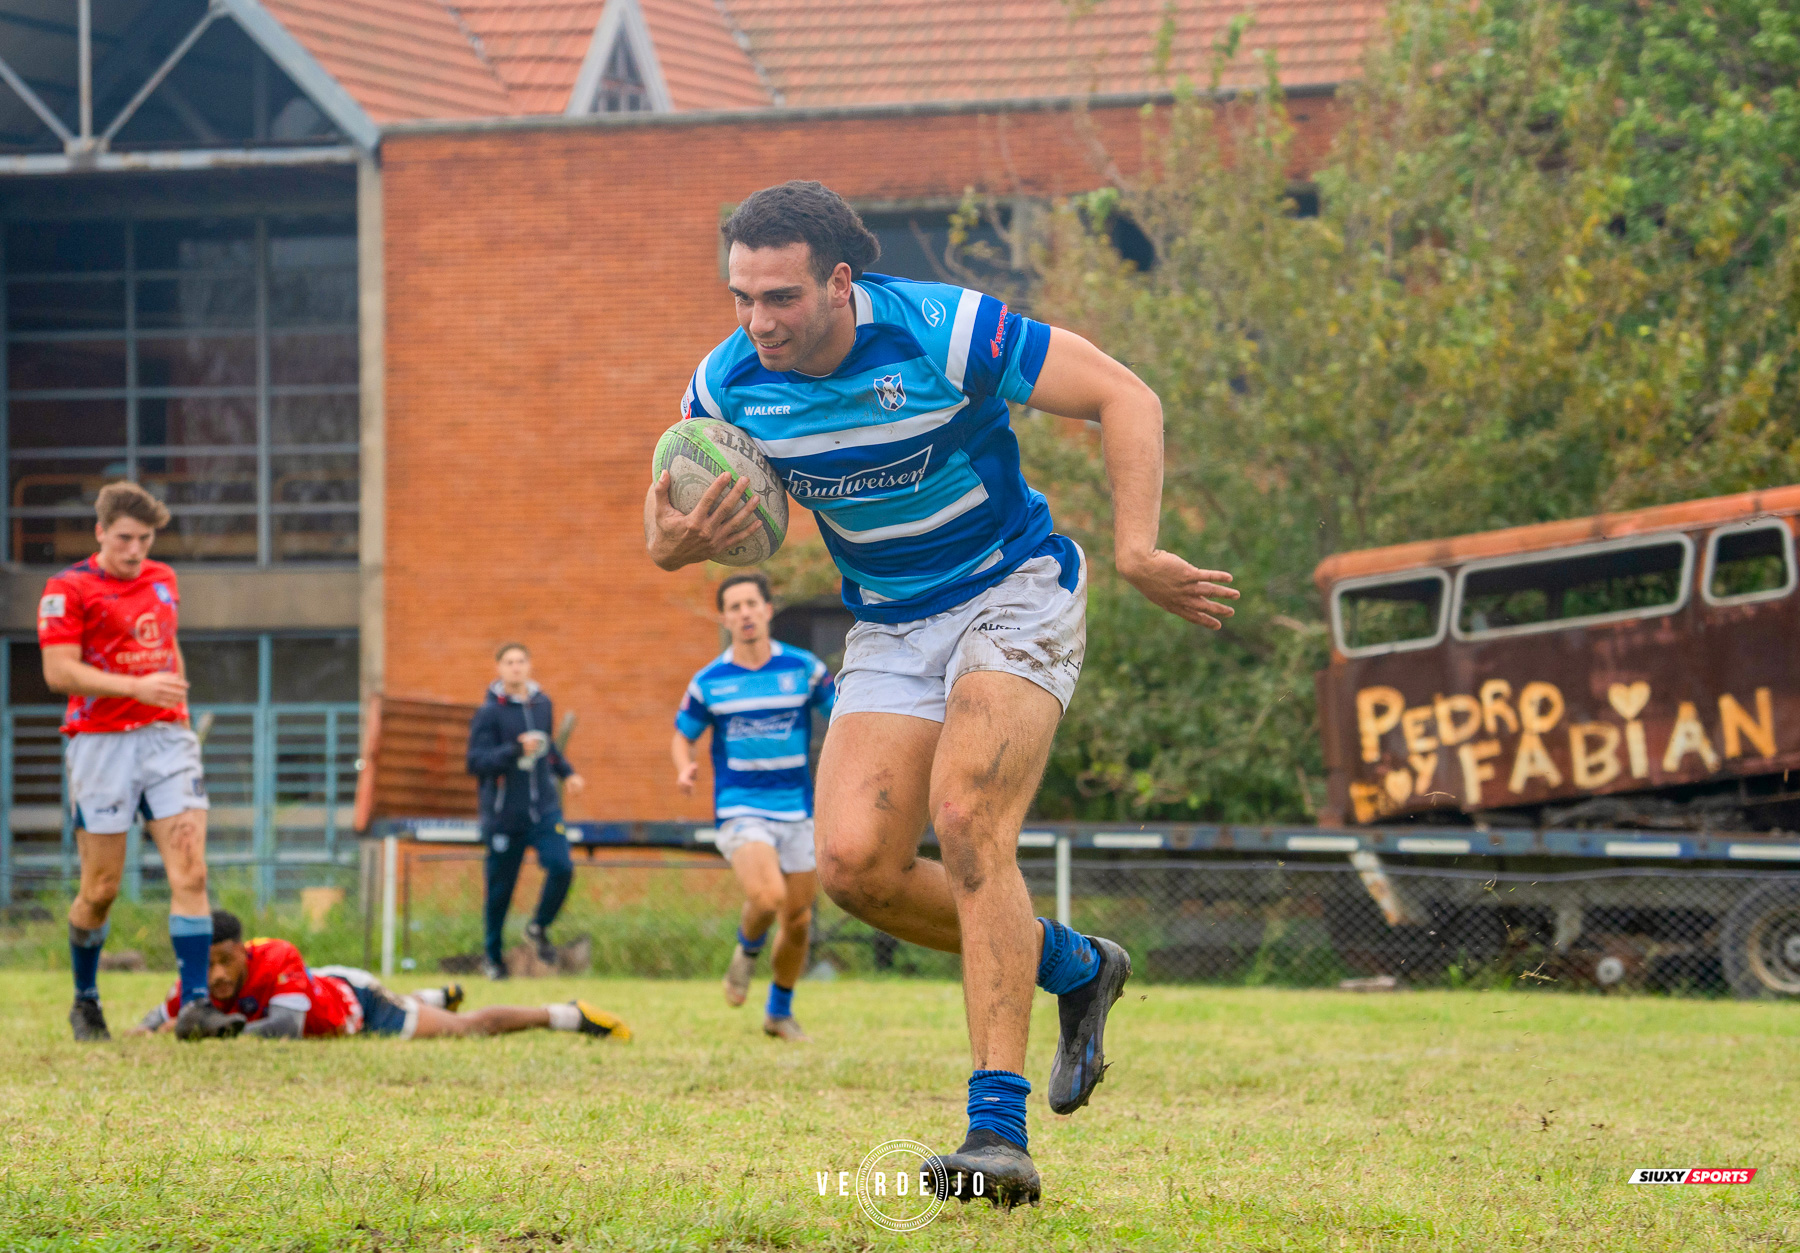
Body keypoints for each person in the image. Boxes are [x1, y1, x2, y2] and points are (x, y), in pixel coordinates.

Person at [645, 182, 1239, 1207]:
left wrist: (1138, 549)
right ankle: (1073, 962)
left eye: (780, 296)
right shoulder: (729, 382)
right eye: (740, 296)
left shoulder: (941, 329)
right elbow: (658, 530)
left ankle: (995, 1133)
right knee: (852, 868)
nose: (758, 321)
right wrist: (677, 543)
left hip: (1014, 589)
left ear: (841, 280)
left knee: (967, 821)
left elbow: (1124, 395)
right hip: (890, 621)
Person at [38, 480, 237, 1042]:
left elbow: (167, 646)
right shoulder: (67, 588)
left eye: (145, 540)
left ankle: (195, 1006)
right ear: (101, 532)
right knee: (101, 888)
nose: (135, 550)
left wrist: (174, 697)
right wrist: (136, 686)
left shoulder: (163, 579)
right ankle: (85, 1000)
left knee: (191, 869)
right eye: (124, 538)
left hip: (166, 738)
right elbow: (59, 671)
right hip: (101, 741)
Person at [672, 571, 834, 1042]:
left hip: (796, 809)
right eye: (734, 606)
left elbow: (841, 714)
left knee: (799, 920)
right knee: (768, 898)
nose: (744, 613)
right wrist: (684, 768)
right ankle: (745, 953)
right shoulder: (710, 681)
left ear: (767, 610)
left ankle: (778, 1012)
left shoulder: (803, 669)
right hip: (741, 806)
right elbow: (682, 736)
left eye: (751, 604)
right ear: (724, 617)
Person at [131, 909, 631, 1041]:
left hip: (358, 1006)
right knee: (431, 1009)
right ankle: (433, 995)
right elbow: (158, 1019)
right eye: (207, 963)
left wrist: (205, 1035)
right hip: (326, 988)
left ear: (243, 950)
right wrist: (148, 1032)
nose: (215, 975)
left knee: (464, 1029)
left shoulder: (277, 954)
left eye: (225, 961)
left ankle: (565, 1014)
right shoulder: (196, 975)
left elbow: (284, 1028)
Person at [465, 643, 586, 980]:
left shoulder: (542, 704)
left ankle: (538, 927)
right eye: (509, 662)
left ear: (529, 666)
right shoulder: (489, 714)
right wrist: (515, 749)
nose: (516, 667)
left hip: (544, 810)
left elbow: (549, 750)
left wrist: (568, 773)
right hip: (505, 816)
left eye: (521, 662)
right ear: (499, 668)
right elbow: (475, 762)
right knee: (500, 891)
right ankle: (493, 957)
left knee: (562, 866)